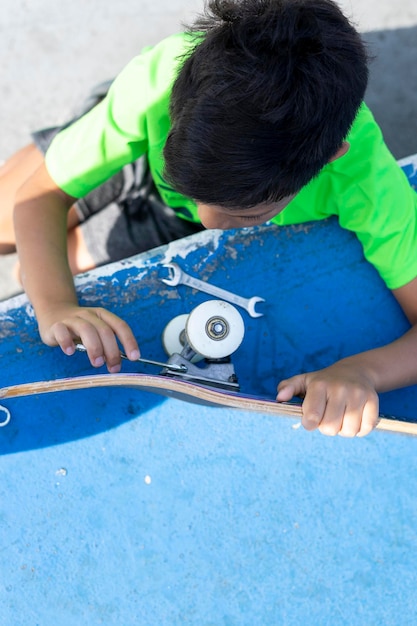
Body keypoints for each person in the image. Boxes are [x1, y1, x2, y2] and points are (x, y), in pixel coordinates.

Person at [1, 0, 417, 438]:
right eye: (198, 197)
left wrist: (363, 372)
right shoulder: (156, 79)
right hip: (139, 153)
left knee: (56, 259)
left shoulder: (367, 180)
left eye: (247, 213)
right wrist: (55, 305)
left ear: (329, 160)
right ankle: (112, 164)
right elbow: (40, 196)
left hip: (167, 211)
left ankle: (73, 246)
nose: (209, 219)